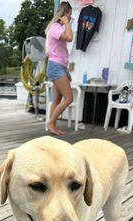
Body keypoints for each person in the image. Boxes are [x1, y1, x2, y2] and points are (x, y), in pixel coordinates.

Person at [45, 1, 74, 135]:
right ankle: (51, 123)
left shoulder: (58, 27)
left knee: (57, 99)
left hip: (59, 67)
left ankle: (52, 127)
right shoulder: (56, 27)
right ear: (65, 14)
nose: (70, 18)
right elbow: (69, 38)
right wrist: (67, 23)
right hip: (56, 67)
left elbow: (60, 53)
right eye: (70, 15)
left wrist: (66, 71)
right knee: (69, 98)